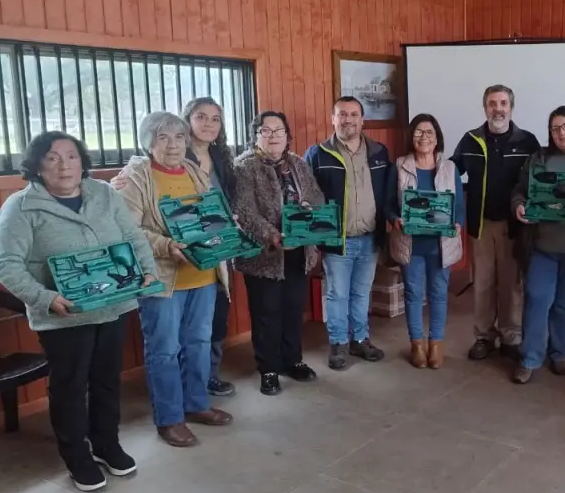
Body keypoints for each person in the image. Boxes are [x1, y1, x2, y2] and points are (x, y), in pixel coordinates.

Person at [0, 132, 157, 491]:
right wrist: (44, 297)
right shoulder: (21, 206)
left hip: (114, 305)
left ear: (83, 161)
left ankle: (106, 444)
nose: (64, 165)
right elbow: (4, 264)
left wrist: (147, 270)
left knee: (106, 381)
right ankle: (77, 456)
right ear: (37, 165)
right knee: (69, 387)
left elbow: (134, 236)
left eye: (71, 156)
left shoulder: (104, 193)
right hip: (63, 314)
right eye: (52, 157)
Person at [116, 112, 233, 448]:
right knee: (164, 350)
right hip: (163, 279)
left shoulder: (194, 170)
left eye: (179, 137)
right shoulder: (137, 176)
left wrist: (224, 225)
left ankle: (196, 404)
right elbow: (128, 231)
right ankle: (169, 418)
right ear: (148, 142)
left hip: (204, 272)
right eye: (162, 137)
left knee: (199, 343)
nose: (172, 144)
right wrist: (166, 245)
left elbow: (210, 214)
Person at [233, 111, 324, 395]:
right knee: (266, 313)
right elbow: (245, 212)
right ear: (256, 135)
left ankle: (292, 360)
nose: (273, 136)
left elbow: (317, 198)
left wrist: (310, 212)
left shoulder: (298, 163)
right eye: (266, 130)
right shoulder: (243, 167)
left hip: (298, 250)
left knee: (293, 310)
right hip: (263, 254)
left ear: (288, 135)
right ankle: (268, 369)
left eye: (279, 130)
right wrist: (272, 235)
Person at [303, 96, 395, 371]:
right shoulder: (317, 154)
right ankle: (339, 343)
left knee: (361, 292)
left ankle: (361, 339)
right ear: (333, 119)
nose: (348, 120)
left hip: (369, 237)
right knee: (337, 294)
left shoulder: (379, 152)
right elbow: (307, 195)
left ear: (362, 119)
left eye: (354, 114)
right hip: (337, 240)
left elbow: (387, 194)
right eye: (342, 114)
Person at [510, 106, 565, 384]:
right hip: (542, 247)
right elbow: (519, 191)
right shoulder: (538, 159)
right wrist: (519, 206)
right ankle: (530, 357)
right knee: (537, 301)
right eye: (556, 128)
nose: (562, 132)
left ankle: (560, 353)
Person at [451, 85, 540, 362]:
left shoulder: (527, 141)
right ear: (485, 108)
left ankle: (511, 337)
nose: (497, 108)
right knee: (483, 284)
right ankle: (484, 337)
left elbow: (539, 179)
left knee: (512, 285)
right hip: (481, 225)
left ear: (511, 107)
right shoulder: (471, 140)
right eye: (492, 103)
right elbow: (451, 171)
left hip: (515, 226)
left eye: (503, 103)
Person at [387, 114, 465, 369]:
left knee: (439, 294)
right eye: (419, 132)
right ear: (411, 136)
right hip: (411, 243)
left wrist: (457, 223)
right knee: (412, 294)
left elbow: (460, 206)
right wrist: (395, 218)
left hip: (440, 244)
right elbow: (388, 204)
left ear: (437, 137)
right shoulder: (399, 166)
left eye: (429, 132)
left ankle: (436, 345)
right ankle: (417, 345)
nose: (424, 137)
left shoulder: (450, 168)